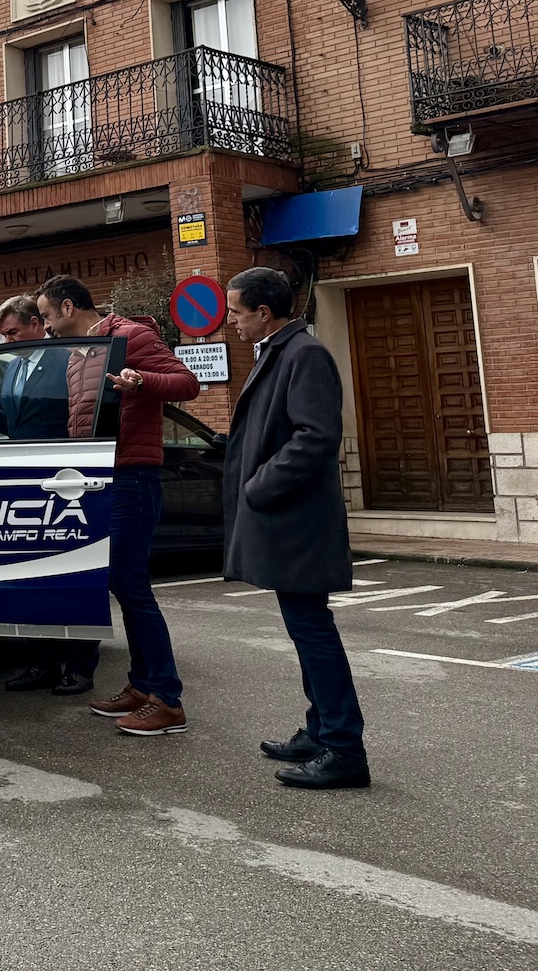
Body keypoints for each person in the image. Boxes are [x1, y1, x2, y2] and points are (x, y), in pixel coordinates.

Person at [223, 266, 369, 790]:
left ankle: (344, 749)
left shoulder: (304, 354)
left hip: (298, 522)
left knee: (313, 632)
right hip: (288, 521)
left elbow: (315, 436)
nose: (230, 321)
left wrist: (260, 485)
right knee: (306, 630)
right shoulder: (280, 351)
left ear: (264, 312)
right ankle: (321, 729)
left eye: (237, 312)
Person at [38, 273, 200, 738]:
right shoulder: (76, 356)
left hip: (132, 476)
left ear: (69, 308)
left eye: (48, 317)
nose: (45, 327)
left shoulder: (131, 335)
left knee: (131, 585)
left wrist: (140, 381)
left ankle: (167, 699)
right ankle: (141, 685)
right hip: (95, 480)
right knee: (117, 583)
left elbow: (187, 384)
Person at [0, 296, 91, 696]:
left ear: (36, 324)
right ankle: (40, 663)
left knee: (69, 576)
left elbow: (79, 416)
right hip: (24, 477)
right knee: (30, 577)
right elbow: (13, 424)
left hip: (64, 480)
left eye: (13, 331)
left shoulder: (67, 360)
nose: (8, 339)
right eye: (3, 334)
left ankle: (79, 665)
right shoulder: (13, 367)